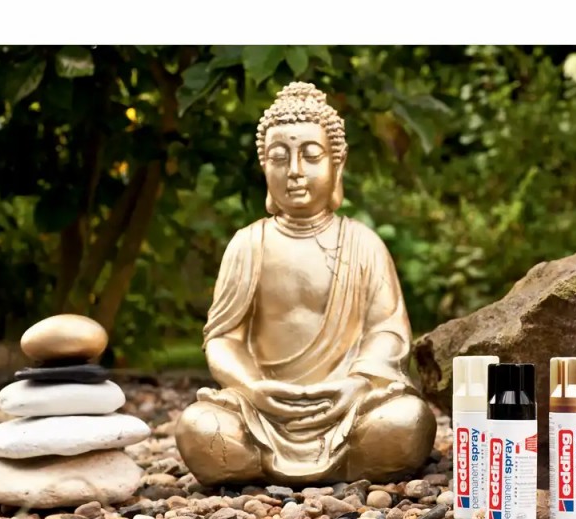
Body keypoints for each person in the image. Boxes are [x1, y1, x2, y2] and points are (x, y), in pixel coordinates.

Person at [176, 82, 436, 485]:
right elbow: (223, 338)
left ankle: (299, 462)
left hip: (346, 406)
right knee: (199, 427)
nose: (294, 171)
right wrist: (252, 386)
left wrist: (357, 383)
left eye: (311, 156)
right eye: (279, 157)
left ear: (337, 163)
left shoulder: (363, 243)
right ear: (264, 167)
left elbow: (386, 331)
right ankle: (334, 464)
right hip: (263, 410)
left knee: (407, 420)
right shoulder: (248, 244)